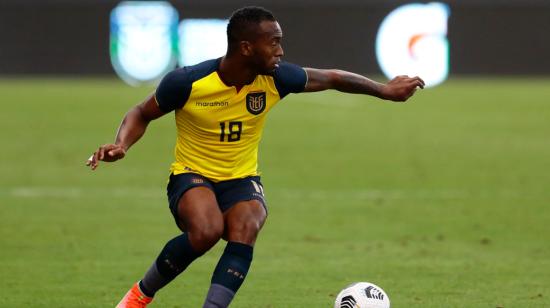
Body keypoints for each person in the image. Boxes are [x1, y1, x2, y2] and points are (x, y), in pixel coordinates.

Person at [86, 6, 424, 308]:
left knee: (247, 223)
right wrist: (122, 144)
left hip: (241, 178)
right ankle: (137, 298)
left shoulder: (276, 79)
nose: (281, 50)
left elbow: (333, 77)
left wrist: (384, 91)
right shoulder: (188, 82)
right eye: (273, 42)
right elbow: (141, 112)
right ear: (246, 47)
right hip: (192, 175)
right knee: (206, 232)